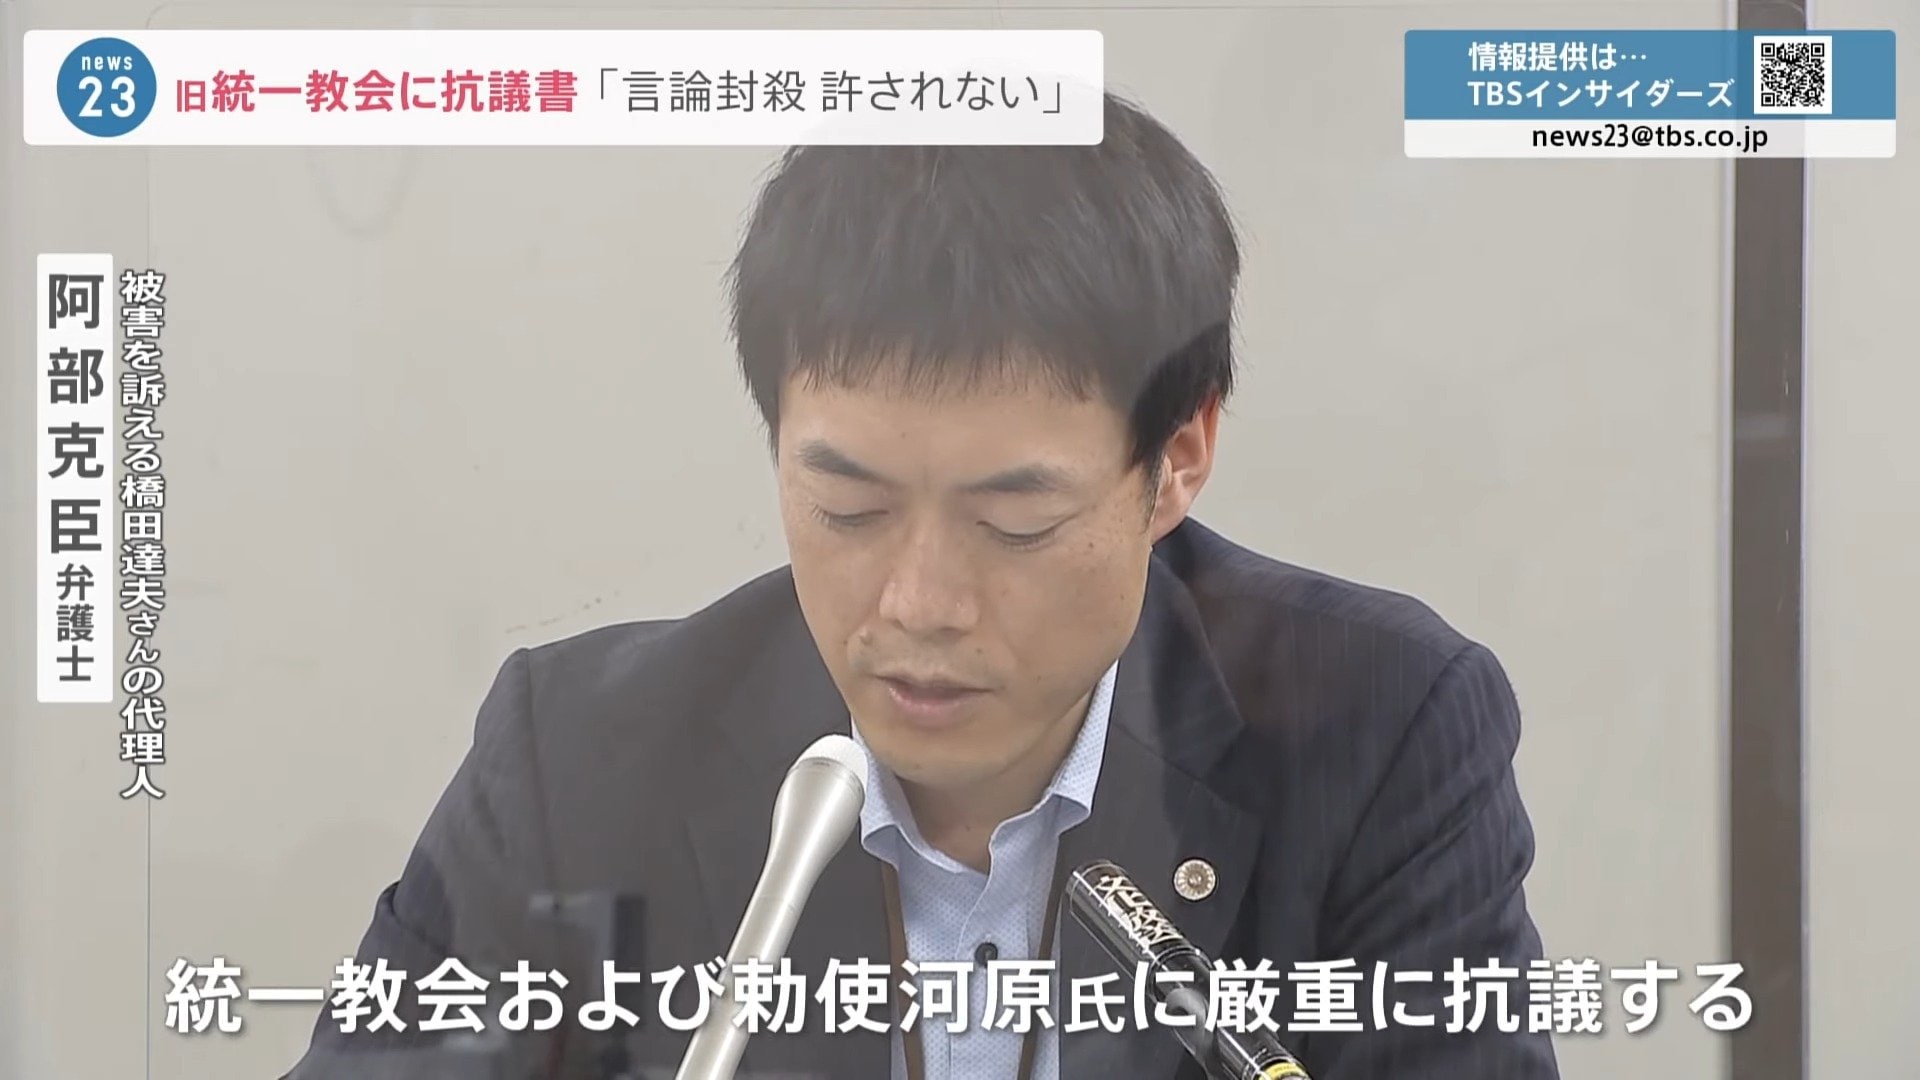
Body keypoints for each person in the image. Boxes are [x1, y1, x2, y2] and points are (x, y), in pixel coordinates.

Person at [286, 92, 1559, 1080]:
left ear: (1176, 459)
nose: (918, 603)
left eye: (1015, 520)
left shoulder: (1378, 727)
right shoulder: (578, 758)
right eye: (849, 508)